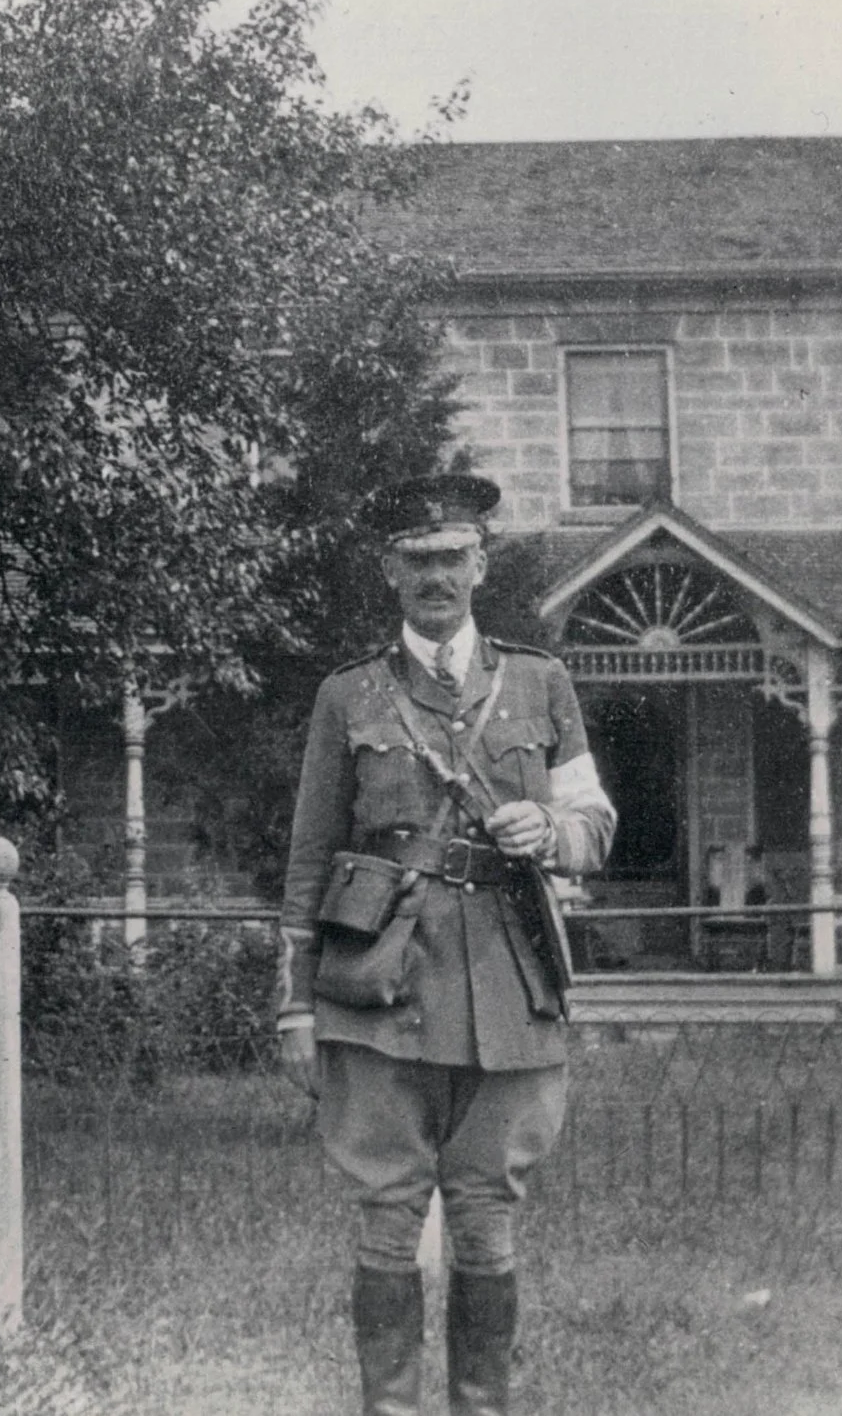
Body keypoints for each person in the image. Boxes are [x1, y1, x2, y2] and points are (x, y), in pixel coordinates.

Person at [276, 474, 616, 1416]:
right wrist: (295, 1001)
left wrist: (549, 833)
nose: (437, 576)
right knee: (387, 1220)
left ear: (482, 563)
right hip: (377, 987)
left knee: (487, 1221)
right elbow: (309, 858)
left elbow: (595, 822)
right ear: (391, 570)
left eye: (453, 557)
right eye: (417, 559)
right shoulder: (349, 695)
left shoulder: (540, 681)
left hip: (508, 988)